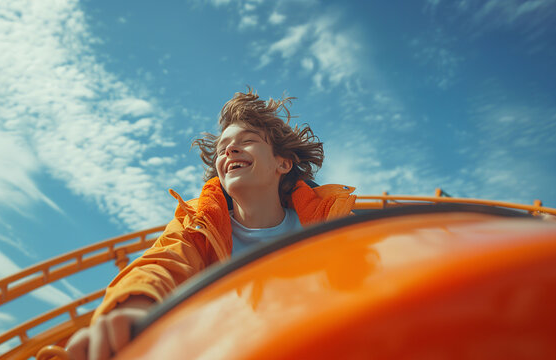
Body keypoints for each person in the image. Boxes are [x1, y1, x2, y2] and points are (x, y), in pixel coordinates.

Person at [66, 88, 356, 360]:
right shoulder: (198, 226)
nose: (229, 151)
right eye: (222, 149)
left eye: (247, 141)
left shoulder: (330, 221)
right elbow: (162, 262)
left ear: (283, 163)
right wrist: (136, 306)